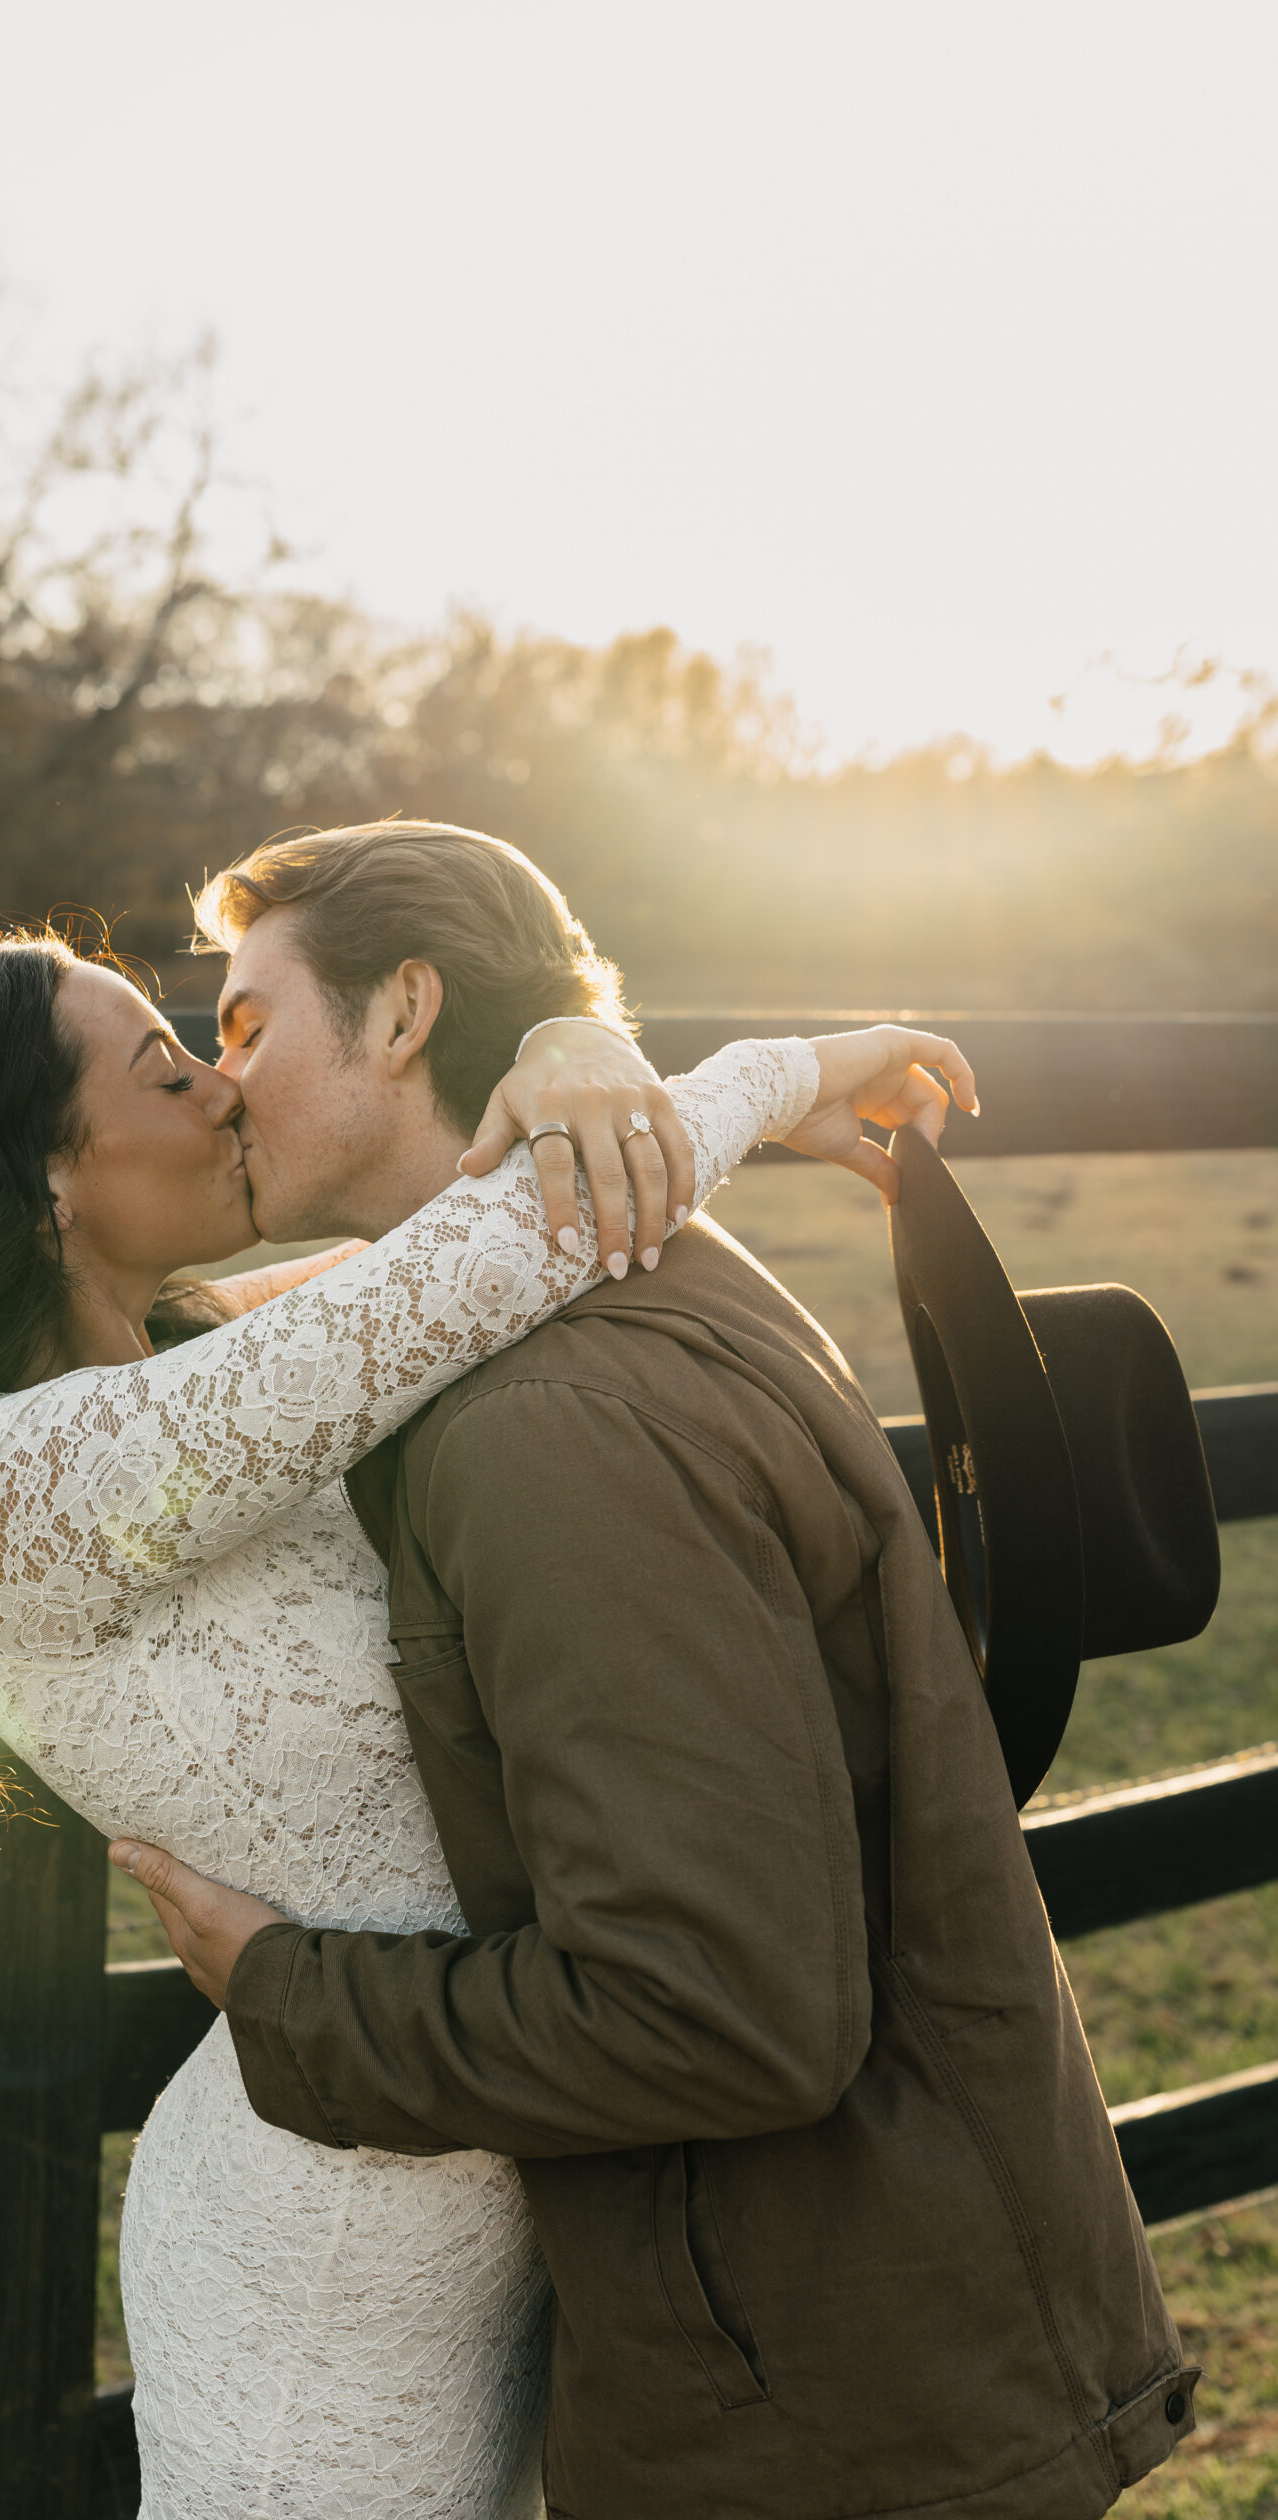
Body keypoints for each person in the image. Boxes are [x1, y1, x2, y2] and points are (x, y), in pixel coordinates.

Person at [0, 830, 975, 2519]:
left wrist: (573, 1044)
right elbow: (503, 1246)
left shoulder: (220, 1349)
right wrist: (778, 1073)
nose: (228, 1092)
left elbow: (485, 1200)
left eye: (227, 1040)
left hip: (508, 2144)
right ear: (39, 1176)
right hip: (327, 2259)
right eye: (172, 1066)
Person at [107, 822, 1198, 2520]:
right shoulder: (609, 1263)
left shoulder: (553, 1422)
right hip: (891, 2339)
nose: (220, 1081)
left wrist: (287, 1993)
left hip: (825, 2415)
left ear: (404, 1015)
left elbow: (719, 2012)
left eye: (245, 1026)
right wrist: (589, 1048)